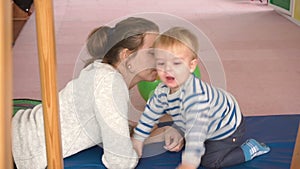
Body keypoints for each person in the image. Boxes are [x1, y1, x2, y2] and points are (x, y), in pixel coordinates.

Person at [12, 17, 183, 169]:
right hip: (15, 151)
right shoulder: (109, 84)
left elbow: (108, 127)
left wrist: (155, 133)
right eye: (152, 52)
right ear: (126, 56)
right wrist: (145, 138)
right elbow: (121, 162)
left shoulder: (103, 72)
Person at [132, 27, 271, 169]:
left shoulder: (196, 99)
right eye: (161, 63)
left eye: (177, 63)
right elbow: (149, 115)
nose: (168, 69)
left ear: (191, 66)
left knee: (210, 162)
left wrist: (188, 164)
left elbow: (196, 136)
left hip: (227, 128)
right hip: (204, 122)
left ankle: (250, 149)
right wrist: (137, 141)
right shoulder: (162, 91)